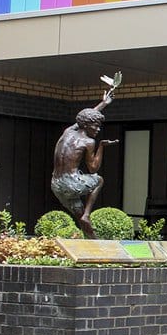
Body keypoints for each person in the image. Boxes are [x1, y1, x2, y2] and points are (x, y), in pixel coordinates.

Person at [51, 89, 118, 239]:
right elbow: (93, 167)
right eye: (96, 126)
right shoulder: (88, 142)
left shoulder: (68, 131)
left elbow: (85, 116)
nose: (98, 129)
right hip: (71, 183)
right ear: (87, 125)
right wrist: (101, 146)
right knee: (99, 180)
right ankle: (87, 215)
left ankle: (93, 241)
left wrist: (104, 103)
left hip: (56, 185)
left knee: (79, 215)